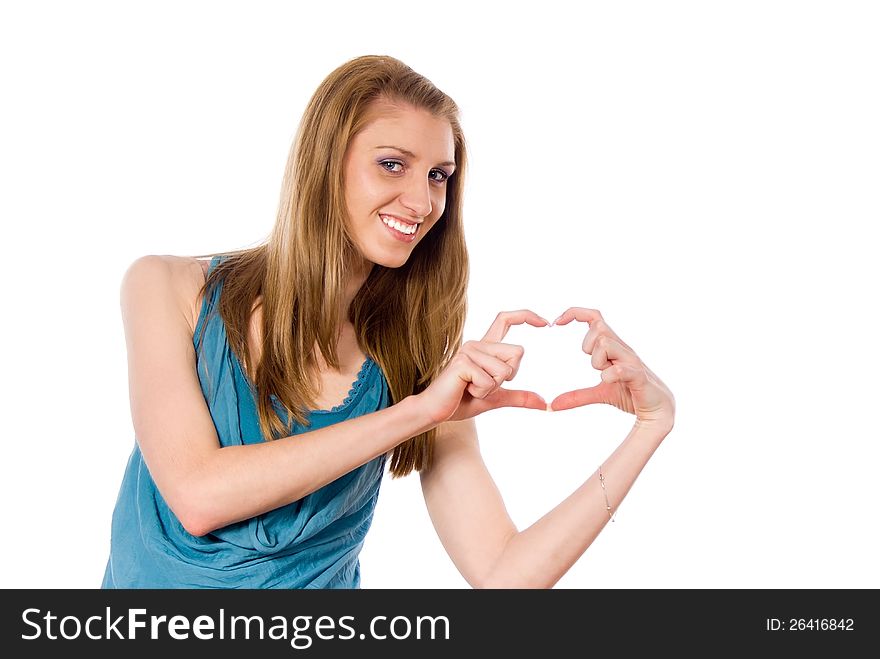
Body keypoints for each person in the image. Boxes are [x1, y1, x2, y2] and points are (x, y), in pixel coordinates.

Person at [102, 54, 675, 589]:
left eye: (438, 176)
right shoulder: (168, 287)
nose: (423, 202)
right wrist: (417, 413)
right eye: (392, 165)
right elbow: (198, 494)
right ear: (326, 164)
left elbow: (504, 574)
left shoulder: (418, 365)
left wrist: (651, 425)